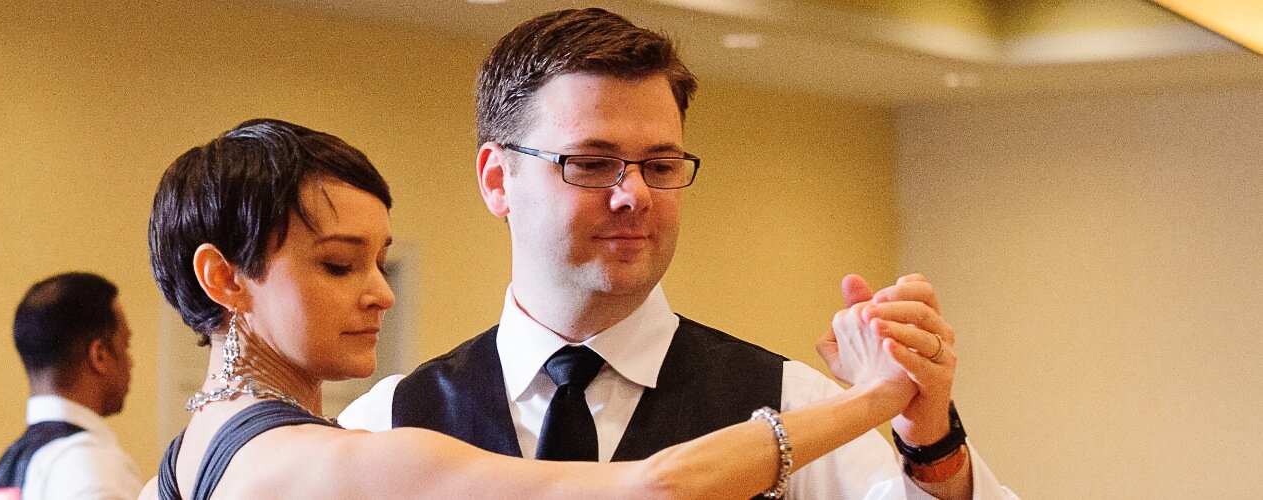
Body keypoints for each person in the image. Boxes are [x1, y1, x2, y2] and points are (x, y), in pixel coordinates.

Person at [338, 8, 1018, 499]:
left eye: (660, 166)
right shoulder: (386, 423)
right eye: (592, 164)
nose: (634, 195)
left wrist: (927, 436)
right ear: (497, 180)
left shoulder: (792, 402)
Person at [139, 118, 926, 500]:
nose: (381, 291)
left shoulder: (184, 461)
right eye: (339, 264)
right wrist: (876, 398)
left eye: (380, 260)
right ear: (224, 278)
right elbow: (655, 488)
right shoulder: (322, 462)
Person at [0, 272, 143, 500]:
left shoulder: (8, 467)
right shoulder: (90, 467)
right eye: (125, 345)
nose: (131, 363)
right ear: (99, 356)